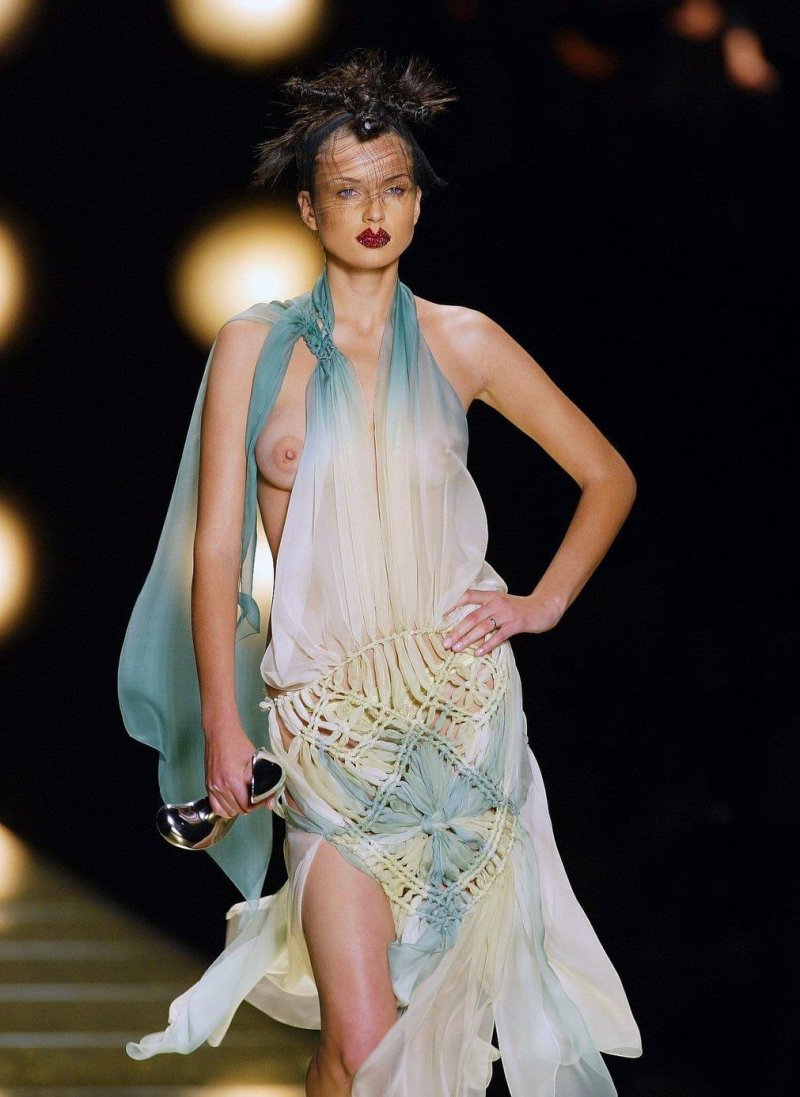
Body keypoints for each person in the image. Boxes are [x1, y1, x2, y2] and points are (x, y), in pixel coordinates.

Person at [118, 47, 643, 1097]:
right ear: (308, 210)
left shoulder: (466, 341)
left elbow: (607, 475)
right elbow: (215, 549)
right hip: (324, 722)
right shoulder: (253, 348)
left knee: (431, 1046)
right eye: (348, 191)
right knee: (362, 1046)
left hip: (462, 715)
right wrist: (223, 720)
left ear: (416, 204)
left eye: (393, 188)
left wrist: (540, 602)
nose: (373, 211)